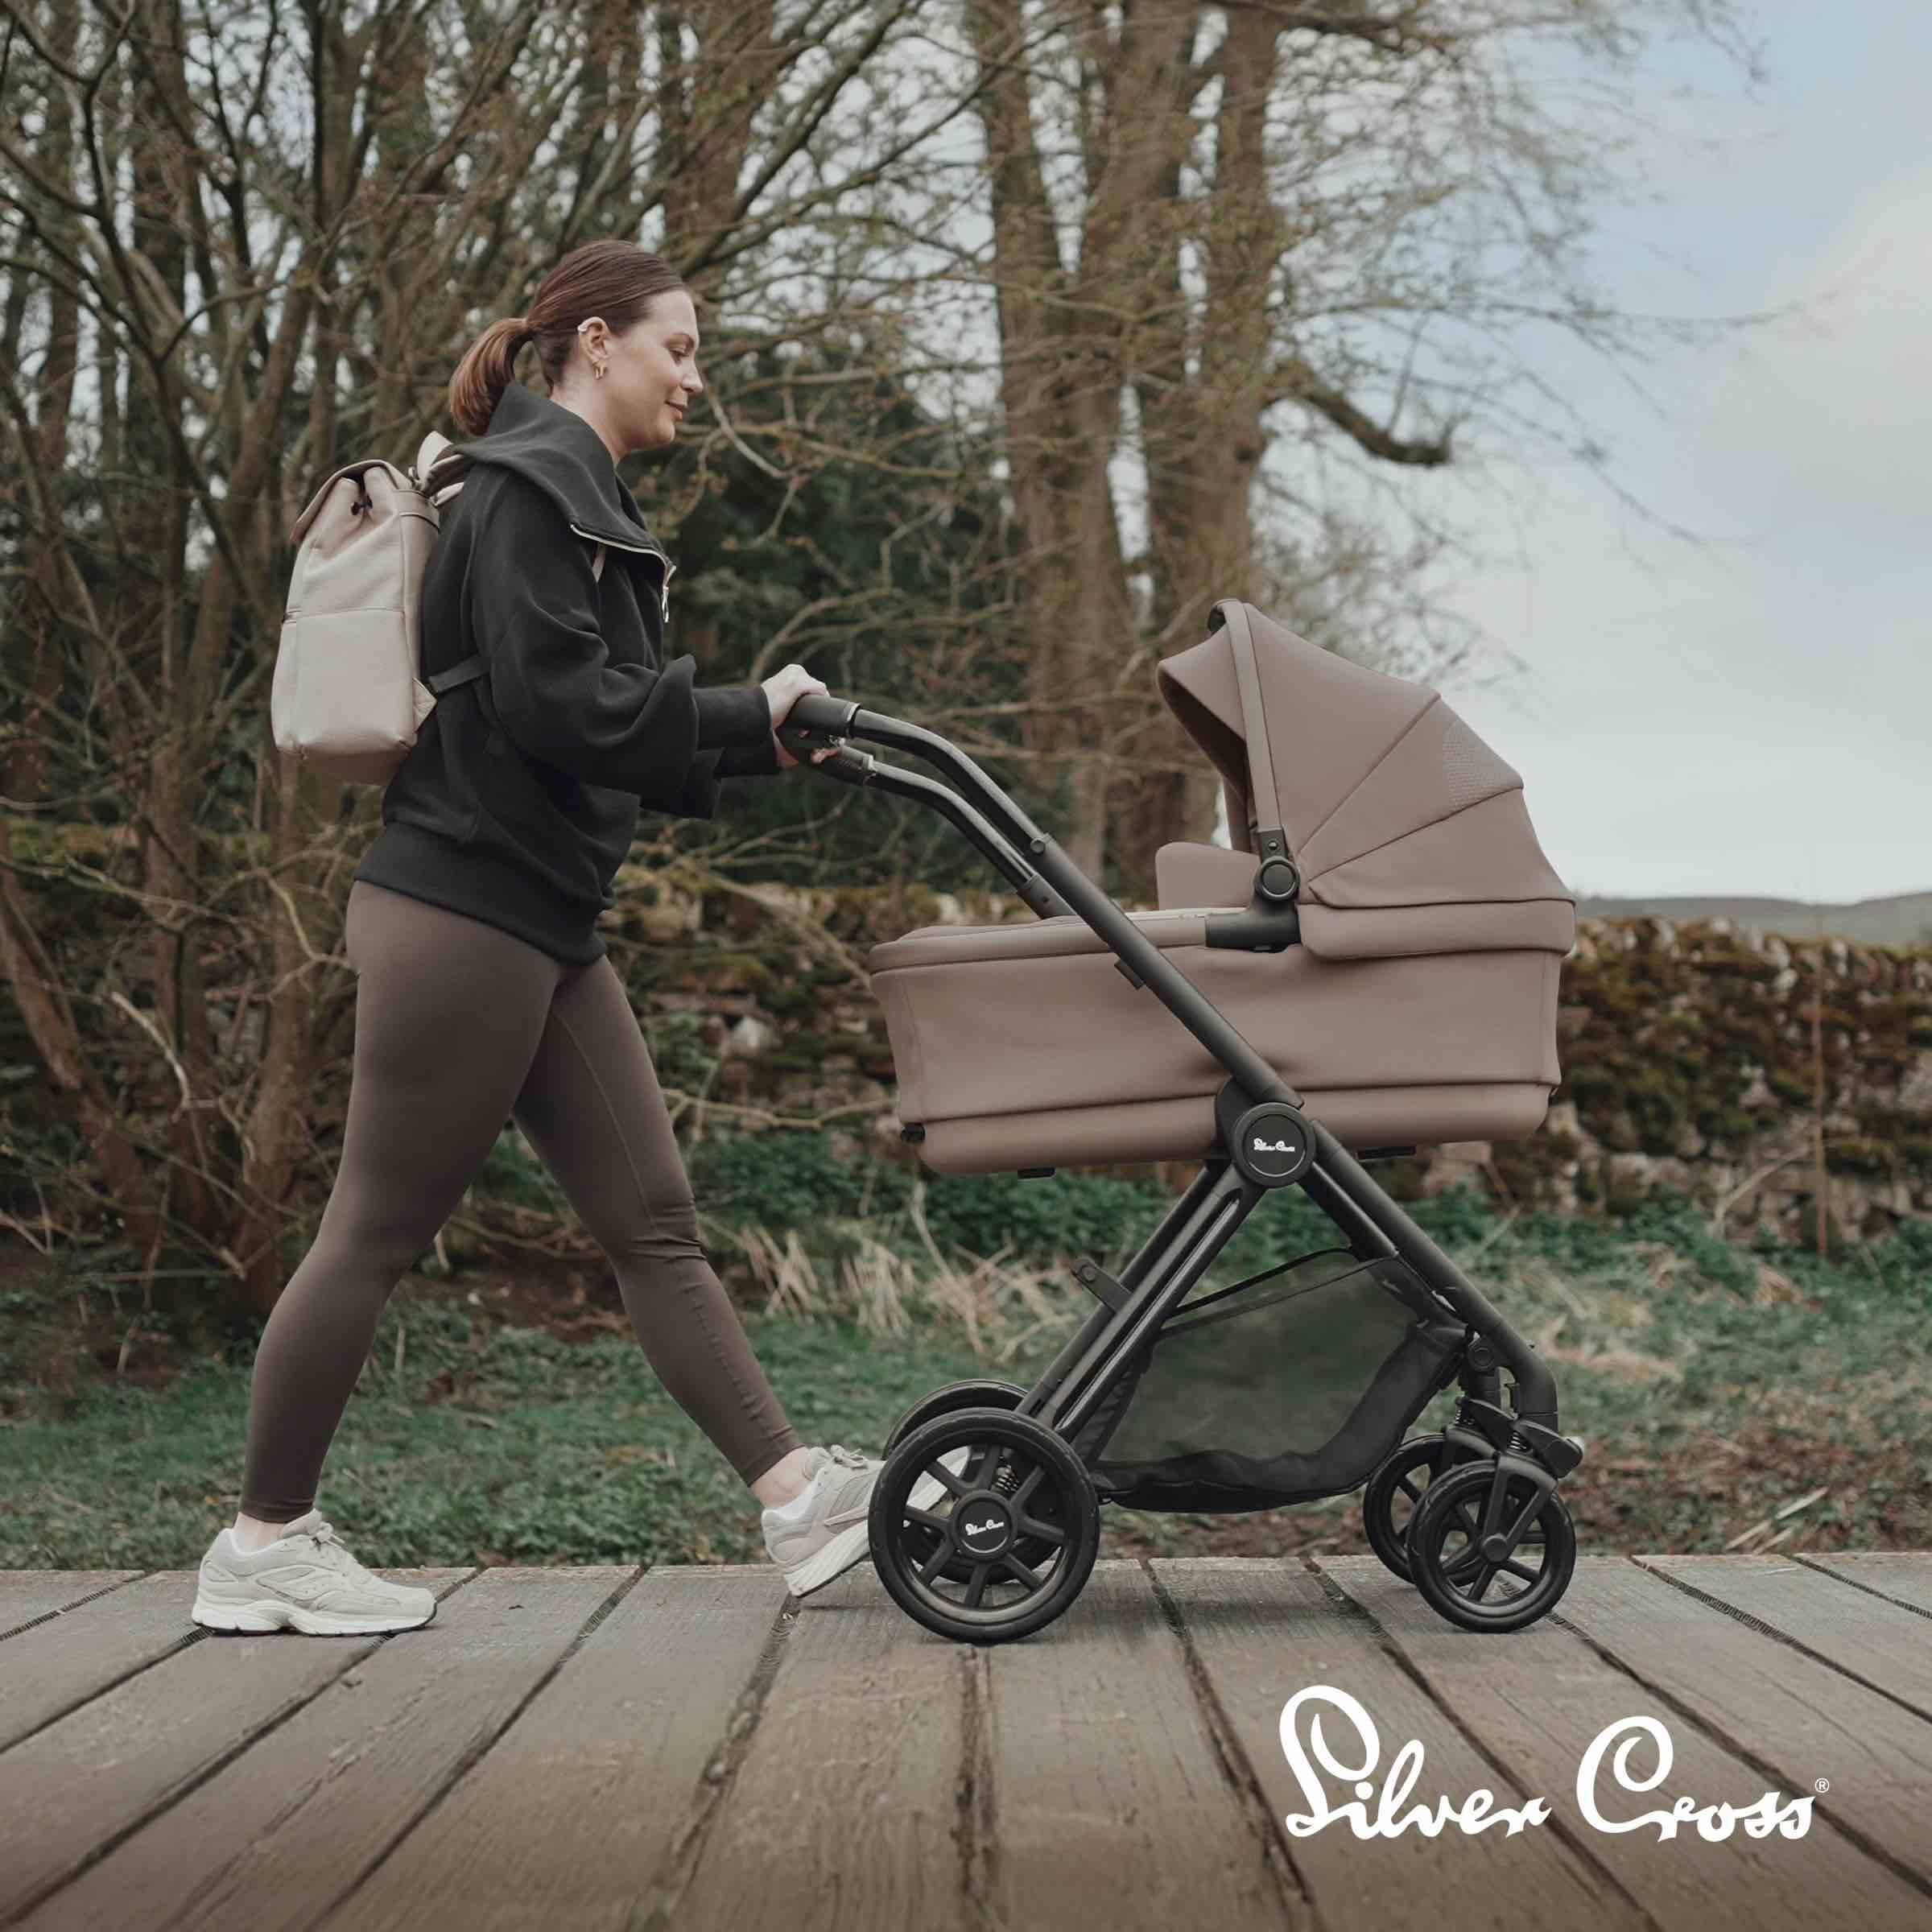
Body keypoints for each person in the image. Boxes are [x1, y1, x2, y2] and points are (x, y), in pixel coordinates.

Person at [192, 240, 947, 1637]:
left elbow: (579, 715)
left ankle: (796, 1500)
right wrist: (743, 716)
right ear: (596, 343)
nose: (696, 378)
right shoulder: (533, 488)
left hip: (535, 913)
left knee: (654, 1223)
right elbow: (558, 707)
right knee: (374, 1227)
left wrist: (750, 742)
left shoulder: (563, 489)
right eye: (681, 348)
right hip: (463, 909)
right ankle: (263, 1544)